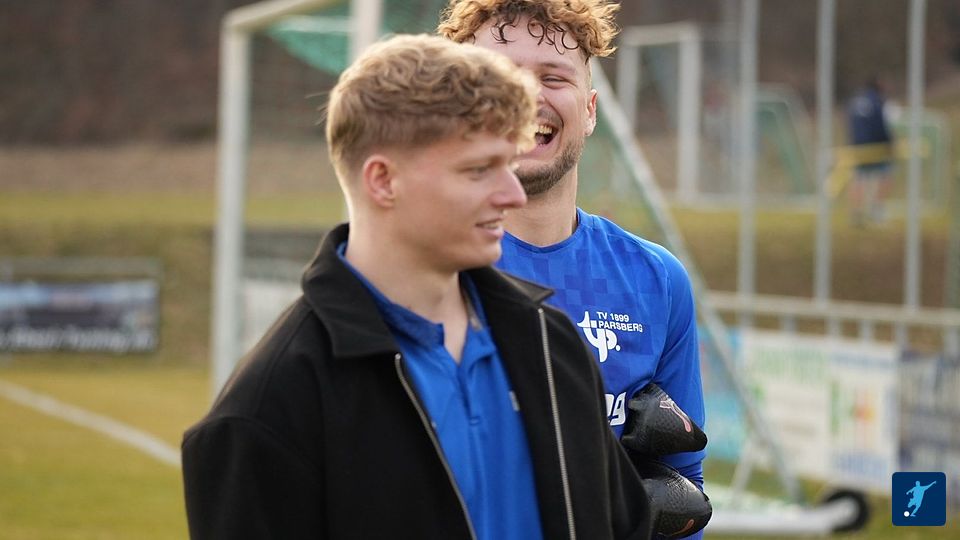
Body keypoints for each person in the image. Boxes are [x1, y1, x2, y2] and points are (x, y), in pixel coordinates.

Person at [181, 34, 653, 539]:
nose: (512, 193)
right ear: (383, 181)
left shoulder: (550, 343)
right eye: (479, 170)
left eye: (508, 162)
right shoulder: (265, 413)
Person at [439, 2, 708, 537]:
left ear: (590, 110)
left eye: (554, 77)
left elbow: (684, 490)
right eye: (502, 76)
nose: (528, 95)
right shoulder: (427, 270)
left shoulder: (656, 280)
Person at [847, 77, 895, 225]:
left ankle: (856, 212)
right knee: (885, 175)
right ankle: (877, 210)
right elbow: (881, 125)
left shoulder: (855, 101)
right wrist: (889, 143)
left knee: (858, 179)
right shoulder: (877, 101)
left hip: (857, 147)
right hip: (876, 148)